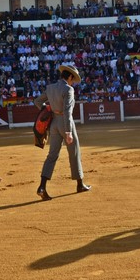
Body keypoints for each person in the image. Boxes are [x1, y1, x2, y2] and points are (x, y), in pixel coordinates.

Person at [33, 65, 91, 201]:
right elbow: (67, 112)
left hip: (53, 124)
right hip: (65, 124)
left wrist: (48, 109)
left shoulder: (50, 88)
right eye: (73, 79)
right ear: (70, 76)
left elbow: (37, 102)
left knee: (52, 155)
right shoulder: (68, 89)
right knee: (74, 152)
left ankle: (42, 187)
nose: (73, 82)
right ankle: (80, 184)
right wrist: (68, 132)